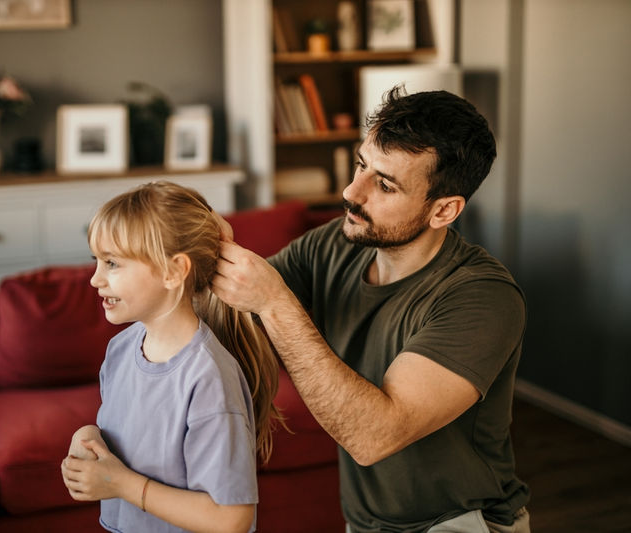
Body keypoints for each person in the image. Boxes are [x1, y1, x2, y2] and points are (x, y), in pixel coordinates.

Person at [211, 86, 531, 533]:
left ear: (444, 210)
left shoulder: (482, 296)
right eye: (361, 165)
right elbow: (226, 315)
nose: (350, 192)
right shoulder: (334, 243)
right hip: (364, 524)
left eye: (384, 184)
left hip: (460, 524)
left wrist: (273, 302)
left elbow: (373, 436)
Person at [60, 181, 281, 533]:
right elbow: (129, 438)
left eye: (112, 263)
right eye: (97, 261)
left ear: (173, 271)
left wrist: (121, 484)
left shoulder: (208, 378)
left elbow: (231, 519)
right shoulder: (120, 350)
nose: (95, 279)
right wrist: (88, 437)